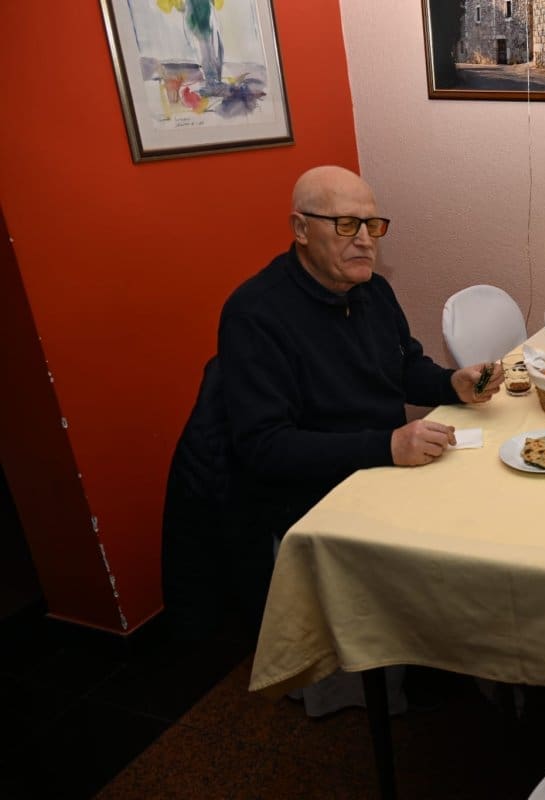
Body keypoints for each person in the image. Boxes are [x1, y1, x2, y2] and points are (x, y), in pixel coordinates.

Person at [163, 165, 502, 640]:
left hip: (382, 470)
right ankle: (431, 651)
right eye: (346, 225)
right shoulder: (255, 313)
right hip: (316, 494)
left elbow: (403, 368)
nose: (364, 240)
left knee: (490, 504)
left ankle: (461, 642)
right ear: (301, 229)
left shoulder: (372, 290)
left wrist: (452, 385)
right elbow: (265, 447)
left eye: (372, 225)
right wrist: (387, 446)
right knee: (452, 555)